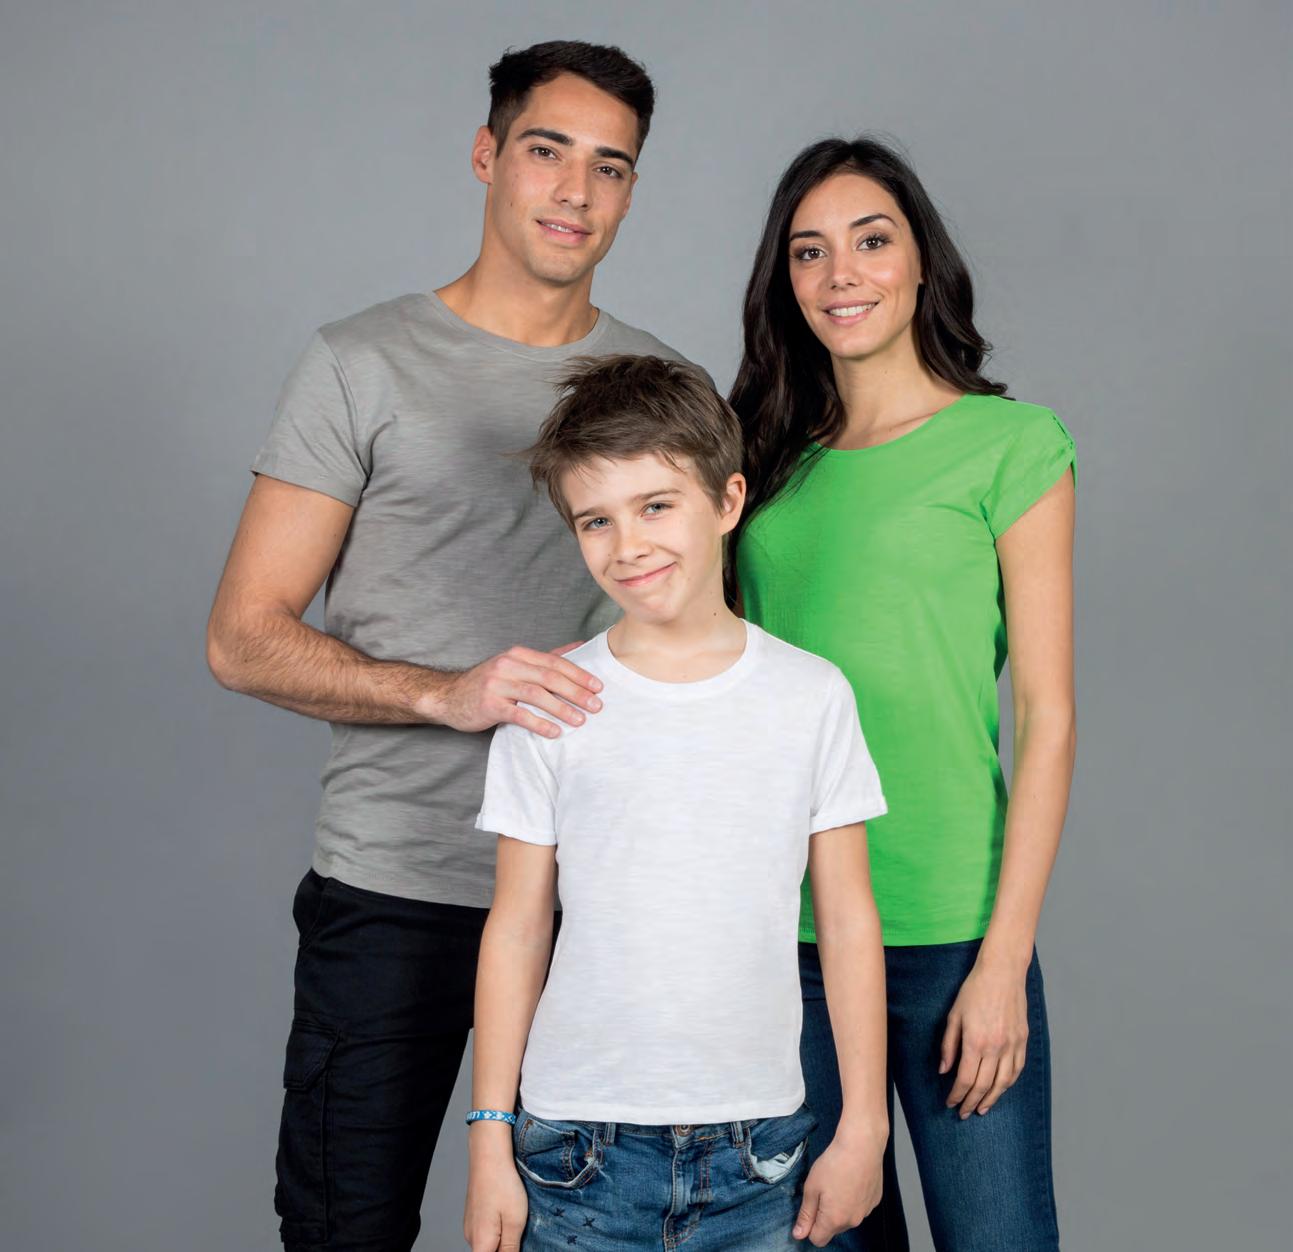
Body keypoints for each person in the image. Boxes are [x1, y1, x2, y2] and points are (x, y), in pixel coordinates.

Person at [206, 41, 700, 1252]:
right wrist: (447, 694)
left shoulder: (668, 390)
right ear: (487, 156)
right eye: (546, 151)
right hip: (394, 887)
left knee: (584, 1235)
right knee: (345, 1227)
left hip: (594, 905)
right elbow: (243, 638)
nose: (575, 190)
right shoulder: (361, 363)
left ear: (632, 191)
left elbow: (699, 647)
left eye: (609, 167)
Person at [728, 137, 1077, 1251]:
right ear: (784, 280)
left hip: (951, 931)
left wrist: (1004, 960)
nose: (841, 274)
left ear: (921, 259)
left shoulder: (1009, 445)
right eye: (809, 251)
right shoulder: (758, 461)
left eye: (871, 241)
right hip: (786, 936)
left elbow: (1048, 717)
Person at [463, 355, 890, 1252]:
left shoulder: (810, 697)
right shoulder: (552, 704)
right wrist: (488, 1140)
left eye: (656, 506)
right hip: (576, 1145)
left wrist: (863, 1125)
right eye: (596, 520)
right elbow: (516, 927)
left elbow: (848, 920)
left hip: (758, 1147)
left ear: (728, 500)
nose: (627, 546)